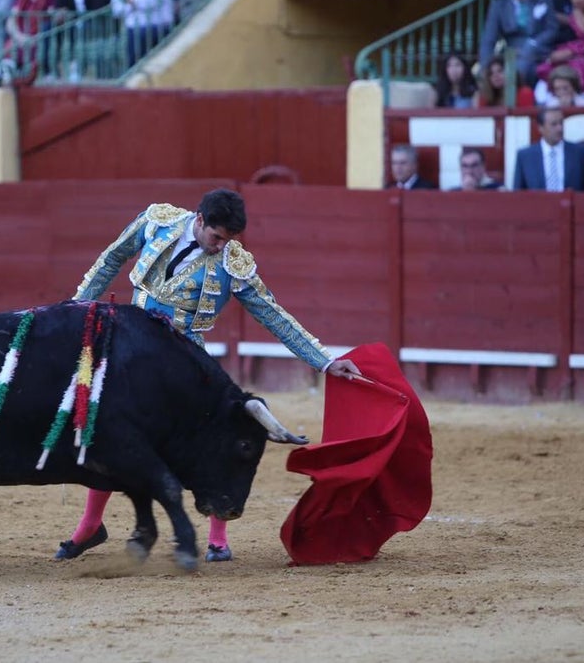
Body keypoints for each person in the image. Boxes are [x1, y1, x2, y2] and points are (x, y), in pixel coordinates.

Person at [52, 187, 362, 563]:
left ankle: (217, 537)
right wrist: (73, 311)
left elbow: (274, 316)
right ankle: (90, 525)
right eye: (216, 237)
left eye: (229, 240)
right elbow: (111, 258)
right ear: (199, 221)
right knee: (108, 429)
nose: (221, 247)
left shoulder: (234, 263)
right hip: (132, 352)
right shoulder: (157, 220)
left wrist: (325, 361)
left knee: (217, 437)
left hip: (186, 362)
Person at [479, 0, 560, 86]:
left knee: (523, 69)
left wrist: (533, 44)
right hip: (513, 53)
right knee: (507, 70)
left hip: (540, 51)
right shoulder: (499, 6)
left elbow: (552, 29)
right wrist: (485, 65)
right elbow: (489, 38)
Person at [513, 106, 584, 191]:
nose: (560, 128)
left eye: (561, 123)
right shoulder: (525, 156)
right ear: (541, 128)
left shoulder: (581, 153)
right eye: (554, 124)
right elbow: (519, 194)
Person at [6, 0, 57, 80]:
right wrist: (19, 36)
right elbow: (13, 17)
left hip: (42, 35)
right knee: (9, 47)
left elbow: (52, 15)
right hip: (23, 35)